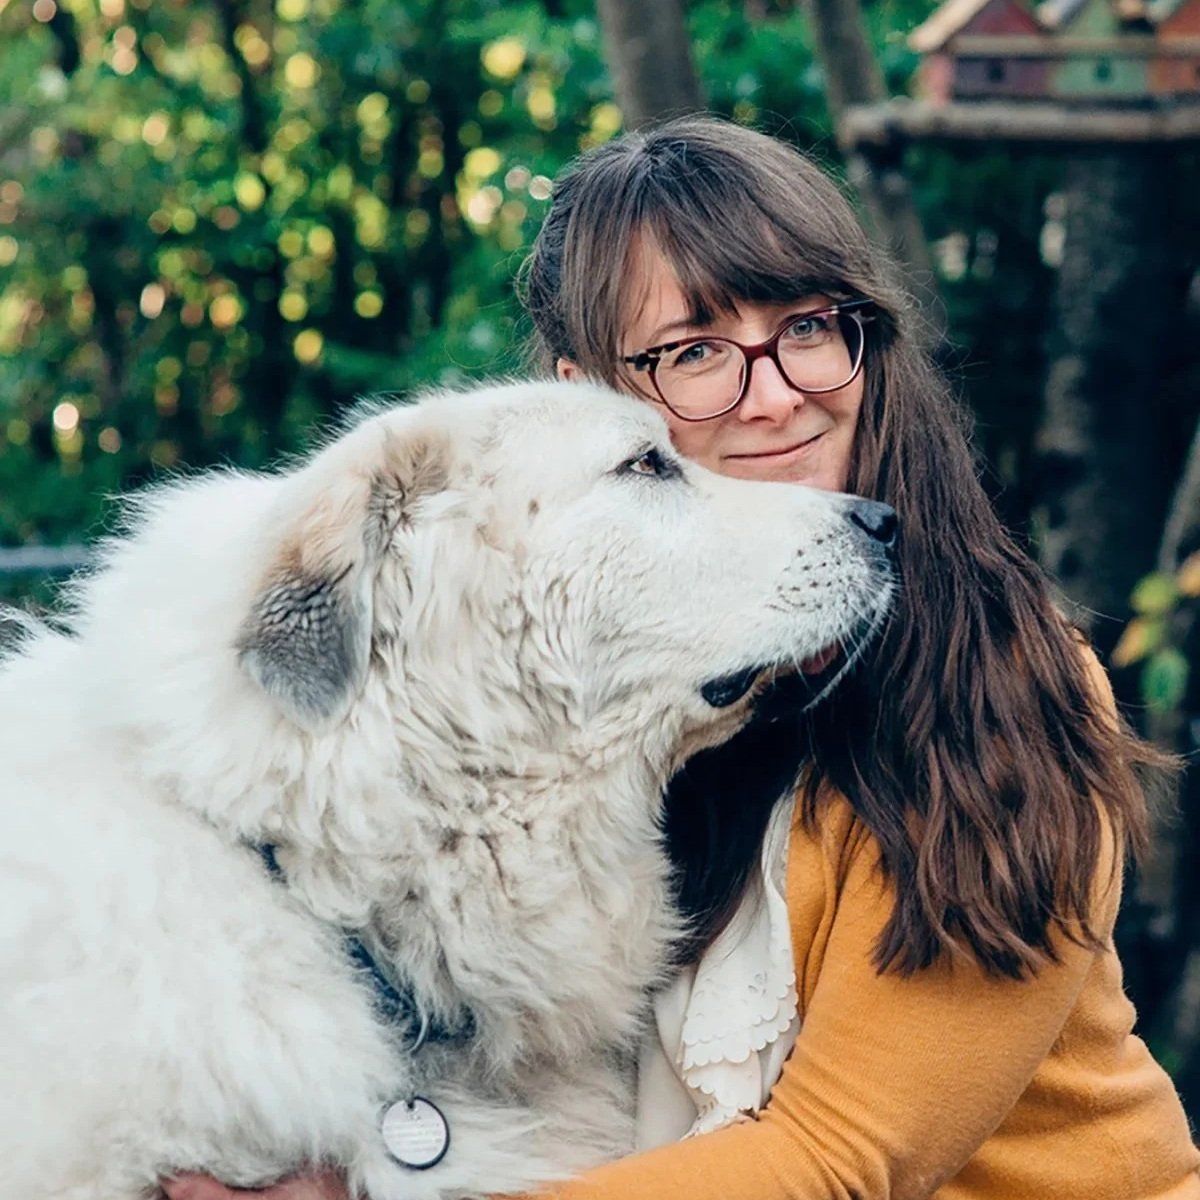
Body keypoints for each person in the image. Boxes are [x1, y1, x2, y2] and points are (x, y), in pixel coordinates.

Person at [165, 117, 1200, 1199]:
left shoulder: (999, 682)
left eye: (808, 326)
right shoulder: (564, 707)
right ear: (589, 395)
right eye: (696, 352)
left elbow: (841, 1159)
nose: (775, 392)